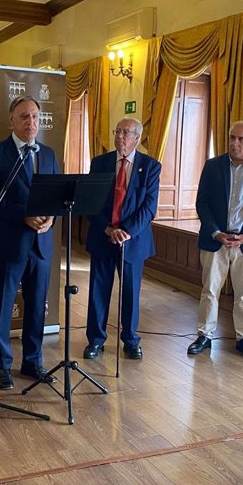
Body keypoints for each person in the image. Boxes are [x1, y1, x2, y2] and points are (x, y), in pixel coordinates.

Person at [0, 95, 60, 389]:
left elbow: (57, 196)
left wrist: (51, 218)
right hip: (10, 242)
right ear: (11, 120)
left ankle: (33, 361)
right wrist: (22, 216)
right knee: (1, 305)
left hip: (41, 245)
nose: (31, 122)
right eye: (24, 116)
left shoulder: (48, 154)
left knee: (36, 306)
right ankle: (3, 365)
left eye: (35, 116)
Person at [187, 120, 243, 360]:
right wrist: (216, 232)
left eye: (241, 139)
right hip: (216, 239)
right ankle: (205, 335)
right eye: (232, 138)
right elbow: (202, 202)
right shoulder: (213, 166)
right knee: (210, 289)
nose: (235, 143)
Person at [83, 118, 161, 360]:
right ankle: (95, 340)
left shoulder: (150, 166)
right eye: (117, 131)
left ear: (137, 137)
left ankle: (130, 339)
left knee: (130, 293)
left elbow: (149, 208)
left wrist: (125, 231)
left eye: (126, 133)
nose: (120, 137)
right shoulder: (100, 163)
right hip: (103, 236)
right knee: (98, 290)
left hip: (133, 241)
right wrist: (107, 229)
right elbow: (89, 202)